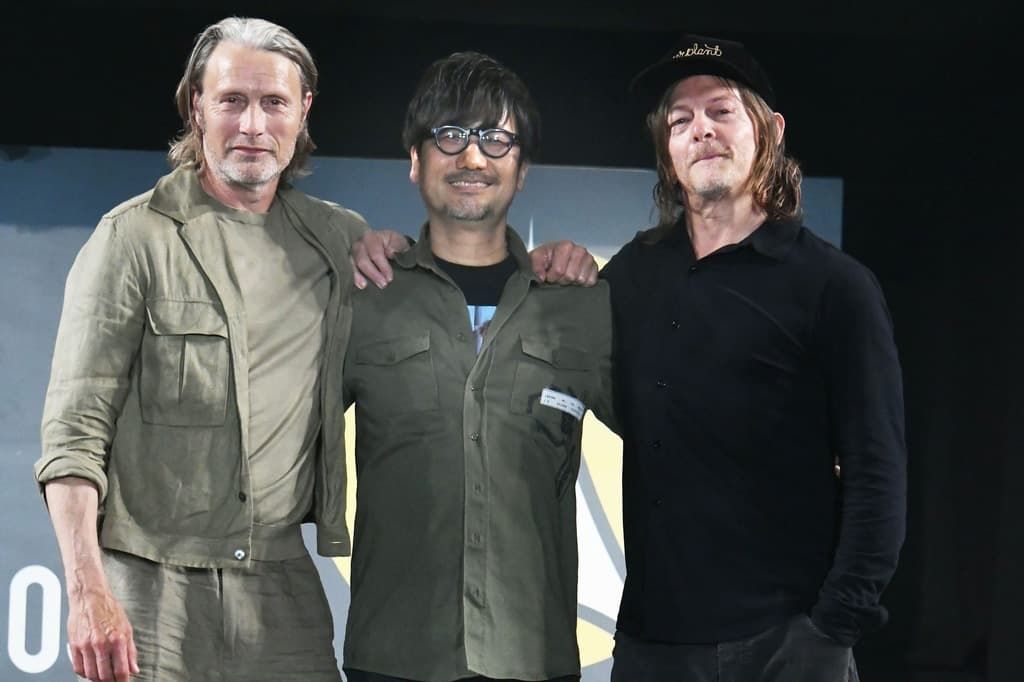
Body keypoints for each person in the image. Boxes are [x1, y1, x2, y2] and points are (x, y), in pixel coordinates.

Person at [33, 17, 368, 682]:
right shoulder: (132, 238)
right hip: (148, 589)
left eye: (273, 102)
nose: (251, 126)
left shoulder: (342, 242)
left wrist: (552, 268)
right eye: (231, 101)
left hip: (283, 590)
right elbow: (73, 435)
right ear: (196, 106)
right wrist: (87, 591)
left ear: (303, 111)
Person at [600, 33, 907, 681]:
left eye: (721, 111)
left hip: (785, 643)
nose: (700, 130)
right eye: (680, 121)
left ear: (769, 130)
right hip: (651, 645)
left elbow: (877, 472)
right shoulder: (629, 276)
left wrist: (832, 631)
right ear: (666, 151)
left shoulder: (835, 285)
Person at [341, 51, 614, 682]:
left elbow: (673, 445)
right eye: (450, 136)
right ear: (414, 161)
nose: (472, 158)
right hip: (393, 657)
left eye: (496, 139)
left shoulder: (580, 304)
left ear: (521, 172)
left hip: (533, 657)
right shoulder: (362, 297)